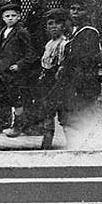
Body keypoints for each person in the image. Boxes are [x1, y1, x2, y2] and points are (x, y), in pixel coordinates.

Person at [56, 0, 102, 148]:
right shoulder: (73, 31)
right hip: (70, 81)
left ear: (87, 12)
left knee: (80, 117)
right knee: (68, 118)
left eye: (79, 9)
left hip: (83, 82)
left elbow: (87, 60)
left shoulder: (89, 32)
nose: (75, 12)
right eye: (72, 9)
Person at [0, 3, 38, 136]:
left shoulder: (22, 32)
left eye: (13, 15)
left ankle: (17, 127)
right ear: (3, 18)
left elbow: (31, 53)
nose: (10, 18)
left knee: (16, 100)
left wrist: (19, 64)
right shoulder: (2, 31)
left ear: (19, 17)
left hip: (13, 74)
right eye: (7, 16)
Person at [36, 8, 69, 149]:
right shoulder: (49, 44)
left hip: (56, 82)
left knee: (62, 116)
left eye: (57, 23)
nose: (54, 27)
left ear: (63, 26)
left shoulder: (64, 44)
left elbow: (62, 65)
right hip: (46, 81)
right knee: (46, 114)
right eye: (50, 24)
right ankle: (46, 144)